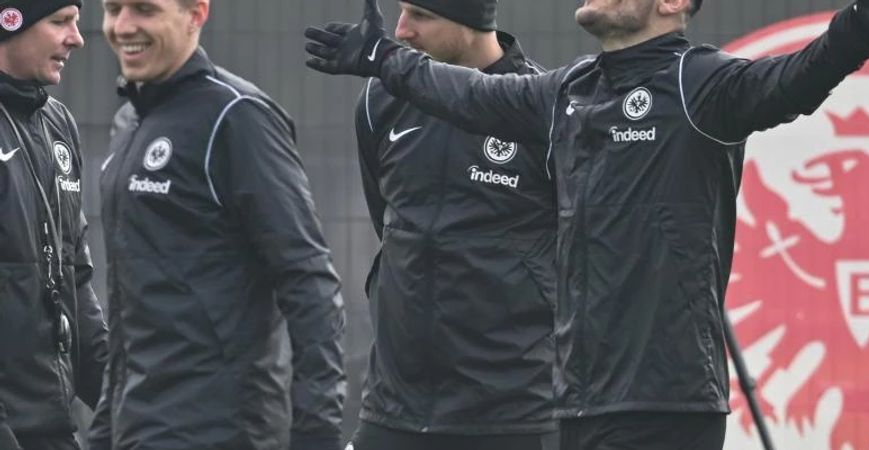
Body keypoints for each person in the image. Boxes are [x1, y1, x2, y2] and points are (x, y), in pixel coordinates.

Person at [305, 0, 869, 448]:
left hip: (665, 404)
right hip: (576, 404)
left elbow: (799, 76)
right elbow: (466, 94)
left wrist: (868, 20)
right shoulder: (571, 90)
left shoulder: (704, 85)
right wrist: (385, 59)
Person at [88, 0, 346, 449]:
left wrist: (316, 433)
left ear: (196, 14)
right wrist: (106, 428)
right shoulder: (131, 120)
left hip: (221, 430)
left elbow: (309, 282)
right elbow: (132, 309)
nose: (123, 26)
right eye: (113, 9)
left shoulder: (238, 116)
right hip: (138, 428)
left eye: (145, 10)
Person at [350, 1, 558, 449]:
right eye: (402, 12)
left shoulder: (541, 107)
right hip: (394, 409)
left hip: (513, 414)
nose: (402, 31)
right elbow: (386, 220)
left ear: (471, 23)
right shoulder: (381, 98)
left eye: (421, 15)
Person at [0, 1, 109, 449]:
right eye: (60, 21)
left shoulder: (57, 123)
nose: (77, 38)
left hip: (51, 424)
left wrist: (124, 406)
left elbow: (75, 281)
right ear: (10, 21)